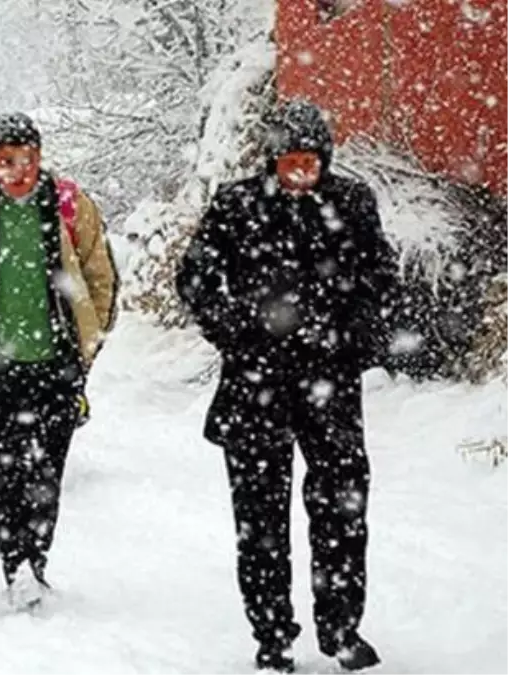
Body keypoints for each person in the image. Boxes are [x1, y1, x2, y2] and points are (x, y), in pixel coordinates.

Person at [175, 99, 396, 673]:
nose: (301, 172)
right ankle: (272, 635)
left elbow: (381, 275)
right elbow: (196, 275)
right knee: (260, 522)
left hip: (331, 384)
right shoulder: (237, 204)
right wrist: (234, 330)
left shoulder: (351, 202)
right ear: (272, 160)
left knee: (343, 512)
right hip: (255, 386)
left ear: (325, 159)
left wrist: (356, 333)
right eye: (290, 161)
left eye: (311, 161)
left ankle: (342, 629)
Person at [0, 112, 118, 610]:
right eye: (7, 161)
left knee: (48, 469)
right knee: (7, 468)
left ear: (40, 158)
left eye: (27, 159)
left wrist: (87, 343)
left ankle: (38, 558)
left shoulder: (69, 206)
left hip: (56, 362)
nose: (18, 170)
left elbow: (100, 272)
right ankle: (16, 565)